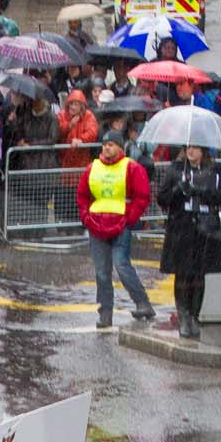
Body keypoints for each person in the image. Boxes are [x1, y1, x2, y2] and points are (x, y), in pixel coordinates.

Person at [77, 127, 156, 329]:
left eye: (110, 145)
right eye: (104, 145)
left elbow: (142, 195)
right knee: (102, 273)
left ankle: (142, 302)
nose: (106, 148)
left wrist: (130, 218)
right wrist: (86, 216)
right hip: (97, 226)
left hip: (120, 225)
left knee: (121, 265)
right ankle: (105, 313)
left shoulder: (131, 168)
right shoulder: (92, 168)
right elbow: (83, 195)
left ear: (120, 148)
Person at [156, 140, 221, 338]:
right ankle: (184, 317)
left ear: (203, 150)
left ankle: (195, 316)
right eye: (187, 147)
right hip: (182, 227)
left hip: (205, 228)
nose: (190, 150)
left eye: (195, 147)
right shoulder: (176, 169)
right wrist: (178, 189)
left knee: (199, 275)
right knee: (182, 274)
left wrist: (202, 191)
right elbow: (162, 198)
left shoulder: (214, 169)